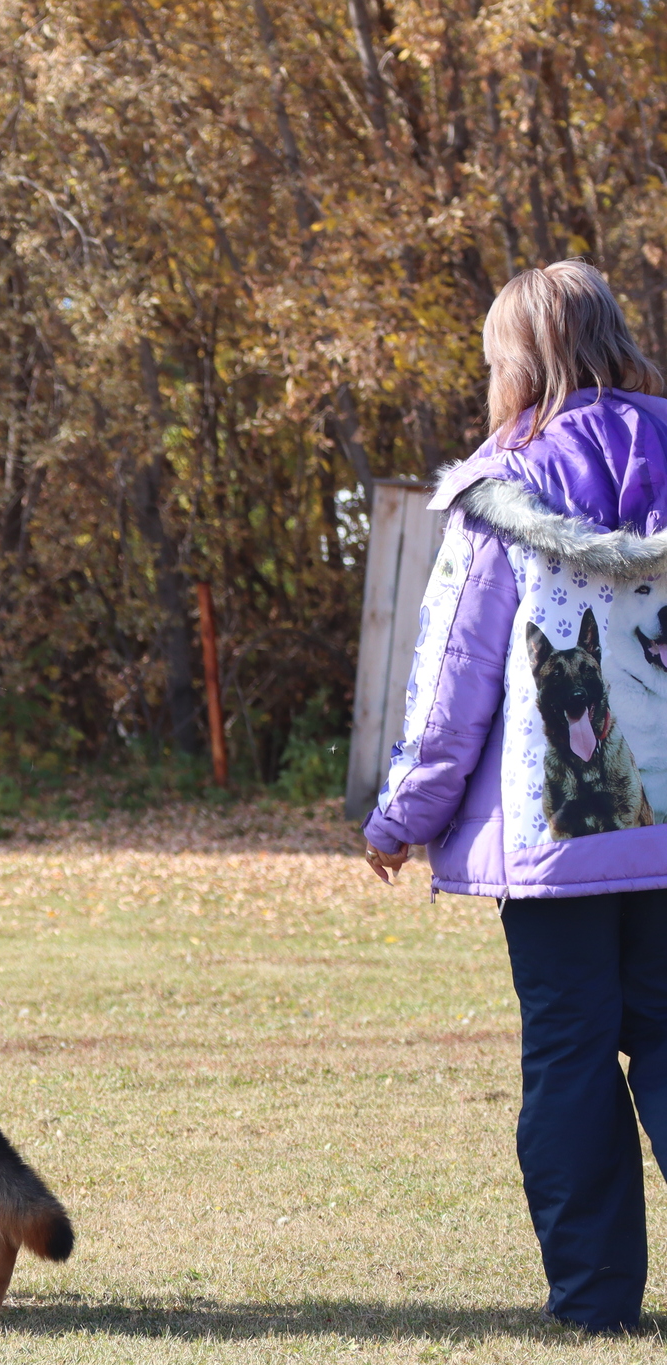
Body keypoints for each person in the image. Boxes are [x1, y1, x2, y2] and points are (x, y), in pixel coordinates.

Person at [363, 259, 667, 1333]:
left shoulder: (508, 480)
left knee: (571, 1052)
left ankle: (592, 1305)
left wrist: (402, 815)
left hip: (565, 833)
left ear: (516, 363)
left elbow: (453, 679)